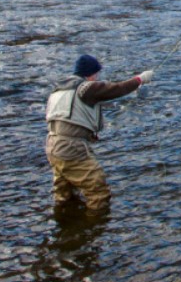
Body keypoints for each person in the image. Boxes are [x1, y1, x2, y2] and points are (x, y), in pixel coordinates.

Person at [44, 54, 153, 210]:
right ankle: (93, 226)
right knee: (98, 193)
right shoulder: (86, 88)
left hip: (52, 146)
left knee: (64, 194)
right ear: (90, 73)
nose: (97, 78)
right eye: (96, 74)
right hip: (71, 148)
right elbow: (117, 89)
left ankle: (66, 225)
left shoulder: (58, 91)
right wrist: (140, 79)